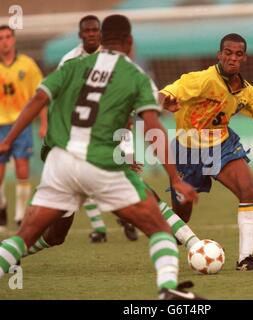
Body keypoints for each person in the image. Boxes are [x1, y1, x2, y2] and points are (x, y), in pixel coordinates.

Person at [0, 15, 203, 300]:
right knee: (158, 226)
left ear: (102, 39)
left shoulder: (73, 64)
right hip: (100, 163)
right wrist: (174, 177)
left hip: (60, 162)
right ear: (130, 42)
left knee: (24, 237)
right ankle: (167, 289)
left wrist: (7, 140)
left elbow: (38, 99)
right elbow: (153, 128)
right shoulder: (135, 75)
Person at [159, 33, 253, 271]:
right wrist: (162, 101)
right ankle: (171, 236)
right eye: (228, 53)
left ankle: (245, 259)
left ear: (244, 58)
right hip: (188, 149)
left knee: (249, 189)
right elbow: (167, 93)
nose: (232, 58)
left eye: (238, 54)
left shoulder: (247, 92)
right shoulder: (202, 79)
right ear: (220, 55)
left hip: (222, 144)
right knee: (182, 215)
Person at [56, 14, 138, 243]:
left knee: (124, 175)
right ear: (80, 34)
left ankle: (127, 216)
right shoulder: (69, 61)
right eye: (87, 31)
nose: (92, 34)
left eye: (95, 30)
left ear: (101, 33)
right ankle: (100, 227)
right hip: (80, 129)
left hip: (114, 125)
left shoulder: (114, 58)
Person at [0, 25, 47, 231]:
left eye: (8, 37)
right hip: (0, 124)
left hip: (22, 124)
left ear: (14, 39)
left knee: (22, 169)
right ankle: (2, 205)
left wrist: (44, 122)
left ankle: (20, 215)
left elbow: (41, 94)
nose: (5, 41)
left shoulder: (27, 65)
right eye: (1, 38)